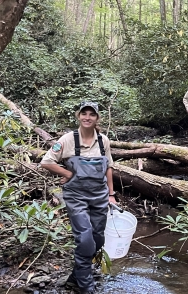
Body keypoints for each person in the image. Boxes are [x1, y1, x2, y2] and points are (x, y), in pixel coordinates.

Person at [40, 101, 117, 294]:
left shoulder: (103, 141)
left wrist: (111, 194)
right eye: (84, 113)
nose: (88, 117)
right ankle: (86, 288)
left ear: (97, 118)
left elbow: (108, 167)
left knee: (98, 240)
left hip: (100, 196)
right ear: (78, 116)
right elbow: (46, 162)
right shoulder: (67, 139)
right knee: (84, 240)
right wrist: (68, 174)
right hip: (76, 197)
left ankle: (76, 277)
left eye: (92, 114)